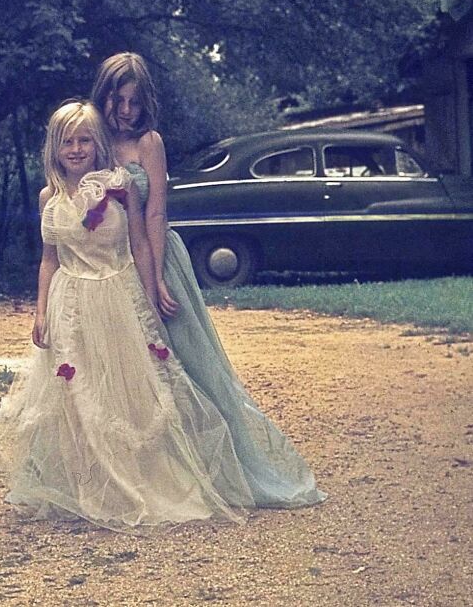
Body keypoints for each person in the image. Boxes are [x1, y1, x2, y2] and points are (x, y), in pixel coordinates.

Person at [0, 101, 272, 532]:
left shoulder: (120, 187)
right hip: (71, 304)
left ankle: (141, 480)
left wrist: (151, 289)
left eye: (85, 140)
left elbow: (140, 244)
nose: (77, 149)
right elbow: (49, 260)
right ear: (54, 147)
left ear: (98, 144)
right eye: (68, 141)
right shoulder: (49, 197)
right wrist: (40, 311)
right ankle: (91, 483)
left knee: (130, 390)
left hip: (119, 296)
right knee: (80, 393)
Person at [91, 53, 326, 508]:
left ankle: (213, 468)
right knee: (122, 370)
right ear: (102, 95)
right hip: (107, 266)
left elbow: (157, 210)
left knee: (184, 365)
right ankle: (136, 473)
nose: (125, 111)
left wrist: (155, 278)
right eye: (117, 100)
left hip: (156, 260)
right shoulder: (92, 141)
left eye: (135, 102)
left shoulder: (149, 143)